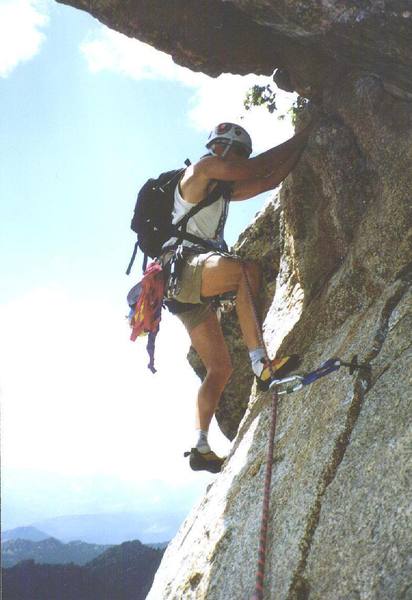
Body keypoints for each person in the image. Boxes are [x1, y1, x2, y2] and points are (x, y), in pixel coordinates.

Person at [161, 120, 316, 473]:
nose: (230, 157)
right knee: (245, 272)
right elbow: (259, 168)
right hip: (186, 270)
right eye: (235, 152)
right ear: (223, 147)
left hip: (182, 288)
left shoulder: (222, 190)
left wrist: (304, 147)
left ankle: (200, 447)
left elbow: (268, 180)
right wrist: (304, 134)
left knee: (220, 368)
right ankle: (262, 365)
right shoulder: (203, 168)